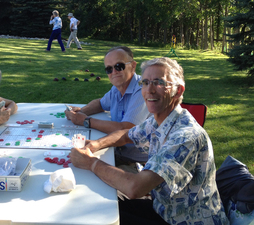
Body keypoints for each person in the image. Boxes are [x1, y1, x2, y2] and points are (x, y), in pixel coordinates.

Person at [70, 57, 229, 225]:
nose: (149, 90)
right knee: (99, 200)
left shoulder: (186, 137)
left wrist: (91, 163)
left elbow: (135, 188)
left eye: (159, 82)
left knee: (97, 216)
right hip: (162, 208)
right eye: (145, 83)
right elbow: (126, 135)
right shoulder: (160, 120)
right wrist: (95, 144)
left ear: (179, 91)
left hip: (184, 220)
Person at [65, 46, 150, 164]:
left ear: (133, 66)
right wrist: (81, 111)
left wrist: (86, 121)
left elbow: (126, 129)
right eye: (109, 69)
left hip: (136, 162)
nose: (114, 72)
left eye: (119, 66)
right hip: (115, 150)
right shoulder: (117, 88)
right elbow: (100, 103)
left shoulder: (143, 90)